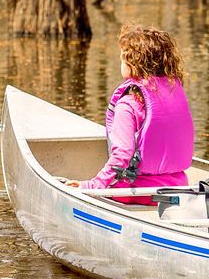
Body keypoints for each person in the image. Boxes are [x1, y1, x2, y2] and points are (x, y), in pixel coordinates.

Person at [75, 25, 196, 207]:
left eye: (122, 58)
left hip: (140, 192)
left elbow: (122, 155)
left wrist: (91, 185)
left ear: (134, 63)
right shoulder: (174, 93)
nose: (120, 62)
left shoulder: (128, 104)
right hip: (178, 187)